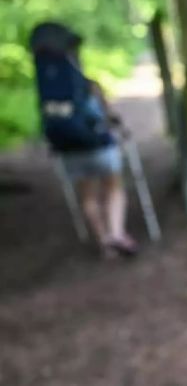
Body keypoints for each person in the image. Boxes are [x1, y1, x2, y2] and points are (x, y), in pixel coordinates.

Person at [30, 22, 137, 258]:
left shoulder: (46, 82)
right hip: (97, 142)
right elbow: (108, 114)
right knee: (114, 187)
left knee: (88, 196)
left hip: (67, 146)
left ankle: (105, 243)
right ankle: (117, 232)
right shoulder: (88, 85)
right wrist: (116, 123)